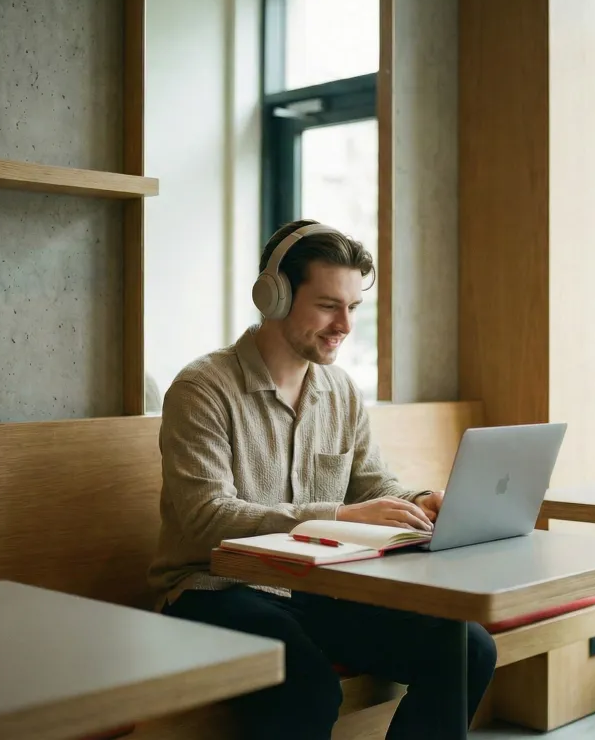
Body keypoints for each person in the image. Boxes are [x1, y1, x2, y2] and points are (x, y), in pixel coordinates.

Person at [148, 219, 497, 739]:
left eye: (353, 307)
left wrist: (421, 501)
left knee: (468, 645)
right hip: (213, 589)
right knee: (308, 686)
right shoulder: (203, 388)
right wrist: (335, 517)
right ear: (275, 296)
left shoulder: (341, 392)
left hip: (316, 587)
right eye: (329, 305)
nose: (345, 325)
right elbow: (205, 520)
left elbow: (373, 485)